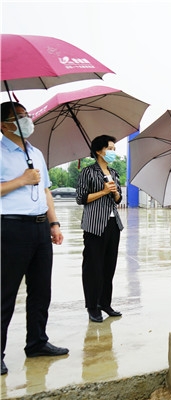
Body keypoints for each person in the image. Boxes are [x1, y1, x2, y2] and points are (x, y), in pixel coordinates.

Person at [1, 101, 68, 376]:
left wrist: (54, 223)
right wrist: (21, 180)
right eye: (19, 116)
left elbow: (46, 191)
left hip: (40, 227)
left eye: (26, 114)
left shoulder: (36, 153)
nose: (27, 119)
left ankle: (37, 342)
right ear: (4, 125)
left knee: (41, 290)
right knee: (5, 292)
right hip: (11, 228)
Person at [76, 135, 124, 323]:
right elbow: (80, 198)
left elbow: (118, 200)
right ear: (98, 151)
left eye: (114, 149)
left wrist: (115, 193)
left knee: (108, 267)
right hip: (94, 225)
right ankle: (92, 306)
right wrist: (103, 191)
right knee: (93, 268)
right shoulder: (88, 172)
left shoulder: (114, 172)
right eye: (110, 148)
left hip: (113, 224)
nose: (113, 152)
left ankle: (105, 303)